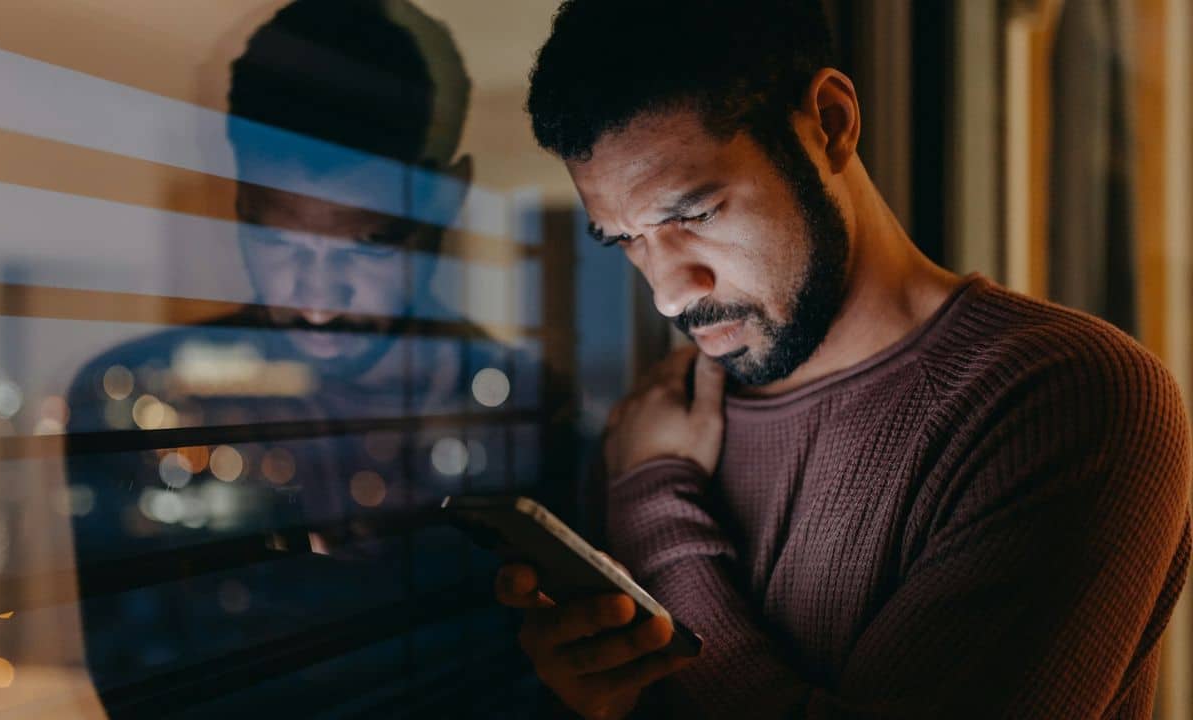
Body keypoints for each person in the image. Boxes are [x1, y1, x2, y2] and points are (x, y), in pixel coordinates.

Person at [495, 1, 1192, 718]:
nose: (669, 295)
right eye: (626, 240)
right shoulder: (657, 414)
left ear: (829, 123)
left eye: (694, 215)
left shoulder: (1065, 397)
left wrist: (655, 515)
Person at [64, 1, 545, 715]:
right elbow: (137, 685)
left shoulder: (531, 411)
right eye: (279, 242)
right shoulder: (135, 398)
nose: (317, 301)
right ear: (238, 206)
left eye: (369, 243)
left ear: (447, 202)